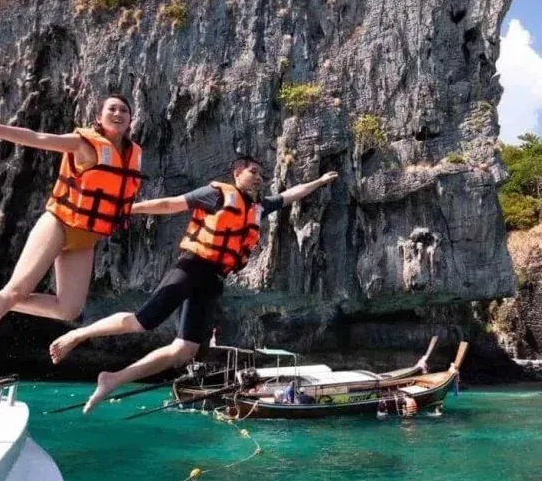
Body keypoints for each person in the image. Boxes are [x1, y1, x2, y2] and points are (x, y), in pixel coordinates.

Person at [47, 156, 338, 413]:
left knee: (184, 350)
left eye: (262, 173)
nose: (259, 177)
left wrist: (319, 181)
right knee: (142, 322)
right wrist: (129, 209)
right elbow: (171, 204)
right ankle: (80, 334)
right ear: (236, 173)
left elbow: (290, 195)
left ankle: (113, 379)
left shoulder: (259, 207)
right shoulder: (216, 194)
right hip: (192, 267)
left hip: (213, 280)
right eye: (252, 171)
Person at [0, 95, 144, 386]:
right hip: (59, 223)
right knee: (17, 290)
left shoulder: (133, 153)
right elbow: (36, 137)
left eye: (124, 110)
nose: (118, 113)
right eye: (111, 108)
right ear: (98, 117)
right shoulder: (83, 142)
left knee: (69, 309)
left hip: (86, 236)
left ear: (130, 119)